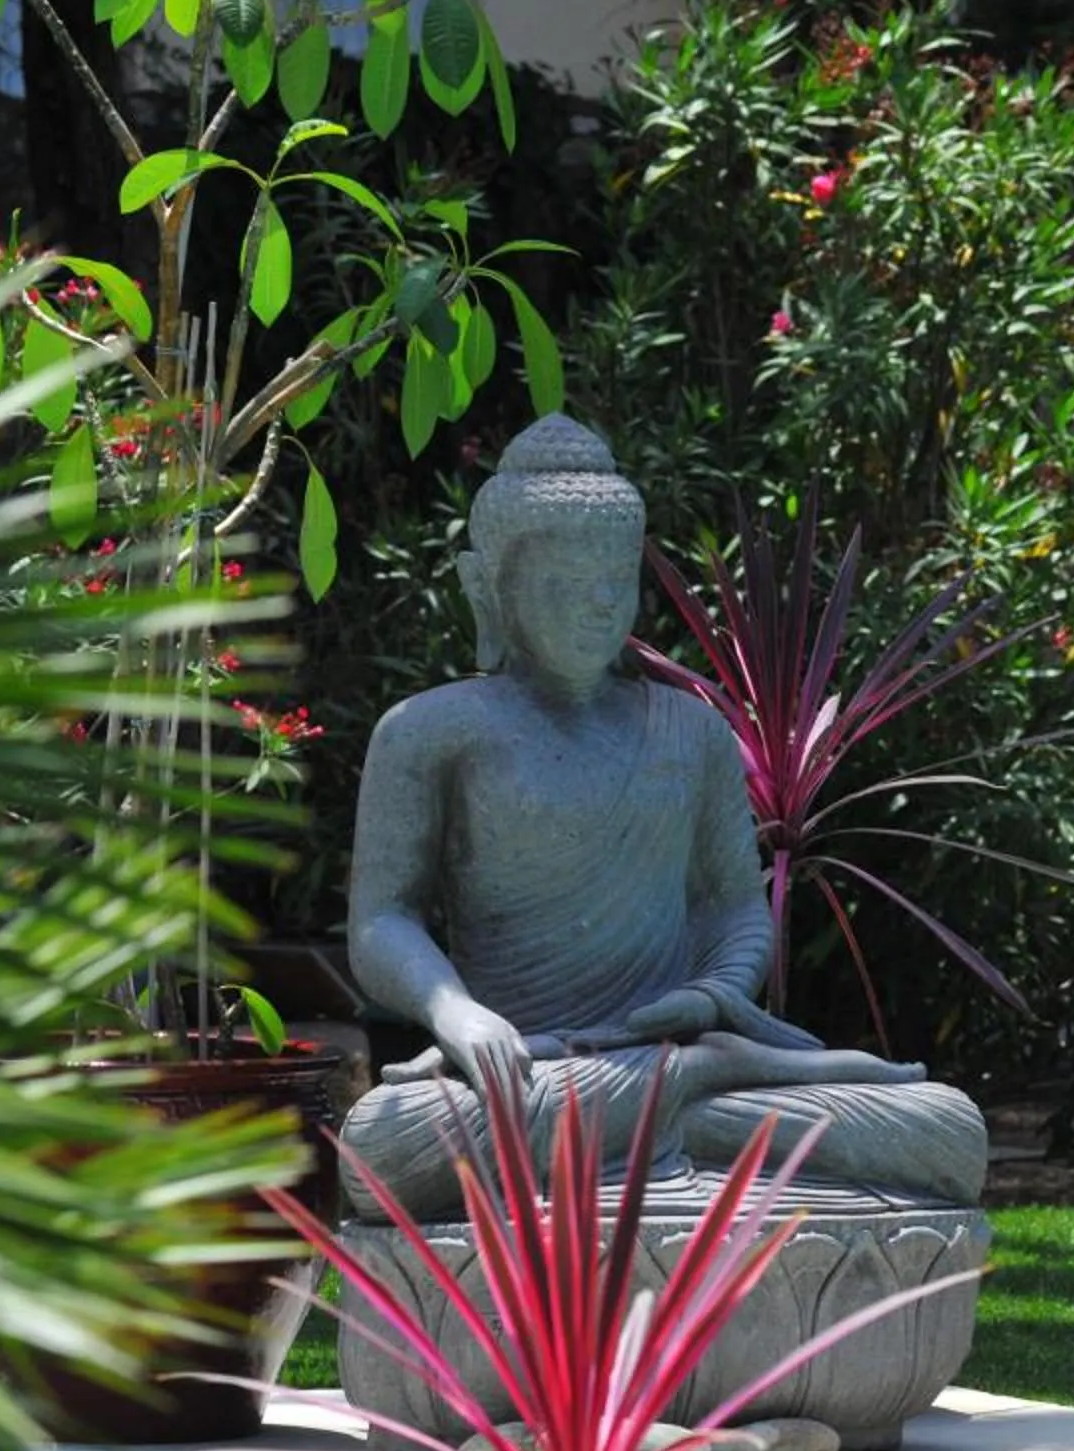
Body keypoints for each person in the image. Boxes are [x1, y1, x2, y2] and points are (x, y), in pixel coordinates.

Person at [336, 415, 987, 1220]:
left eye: (617, 578)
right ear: (487, 588)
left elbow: (733, 907)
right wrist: (454, 1011)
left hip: (659, 1053)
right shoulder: (431, 732)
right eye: (565, 582)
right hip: (521, 1075)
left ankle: (680, 1092)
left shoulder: (691, 730)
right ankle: (684, 1100)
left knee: (944, 1126)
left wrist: (713, 995)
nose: (599, 603)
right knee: (389, 1143)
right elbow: (382, 919)